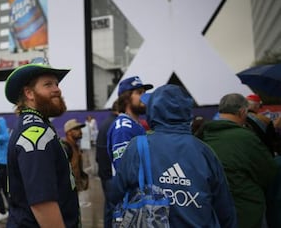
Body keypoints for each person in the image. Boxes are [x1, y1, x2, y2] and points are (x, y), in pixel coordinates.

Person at [109, 84, 238, 227]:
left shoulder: (138, 147)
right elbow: (225, 209)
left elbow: (116, 193)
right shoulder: (204, 152)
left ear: (153, 111)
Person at [4, 58, 80, 227]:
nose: (57, 90)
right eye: (48, 85)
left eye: (56, 84)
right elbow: (42, 203)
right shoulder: (35, 132)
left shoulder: (37, 126)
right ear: (29, 93)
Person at [201, 93, 277, 228]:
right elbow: (269, 172)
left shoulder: (202, 135)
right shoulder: (247, 138)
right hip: (245, 211)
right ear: (242, 112)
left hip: (212, 210)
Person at [107, 76, 153, 171]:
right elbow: (126, 170)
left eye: (144, 93)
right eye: (139, 93)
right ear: (126, 98)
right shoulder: (123, 128)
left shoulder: (134, 124)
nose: (144, 97)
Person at [95, 100, 118, 228]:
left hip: (105, 173)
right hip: (110, 174)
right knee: (112, 207)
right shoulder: (114, 124)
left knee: (109, 206)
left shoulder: (106, 123)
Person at [62, 118, 88, 192]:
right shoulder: (65, 147)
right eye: (76, 129)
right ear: (69, 132)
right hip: (68, 190)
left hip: (75, 188)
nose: (80, 131)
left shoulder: (75, 146)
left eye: (80, 129)